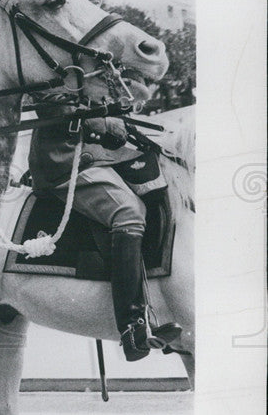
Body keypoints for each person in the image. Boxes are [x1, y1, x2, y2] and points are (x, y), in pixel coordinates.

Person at [28, 97, 171, 360]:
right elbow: (50, 101)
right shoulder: (57, 57)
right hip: (64, 158)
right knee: (129, 212)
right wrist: (102, 122)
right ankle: (132, 327)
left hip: (95, 153)